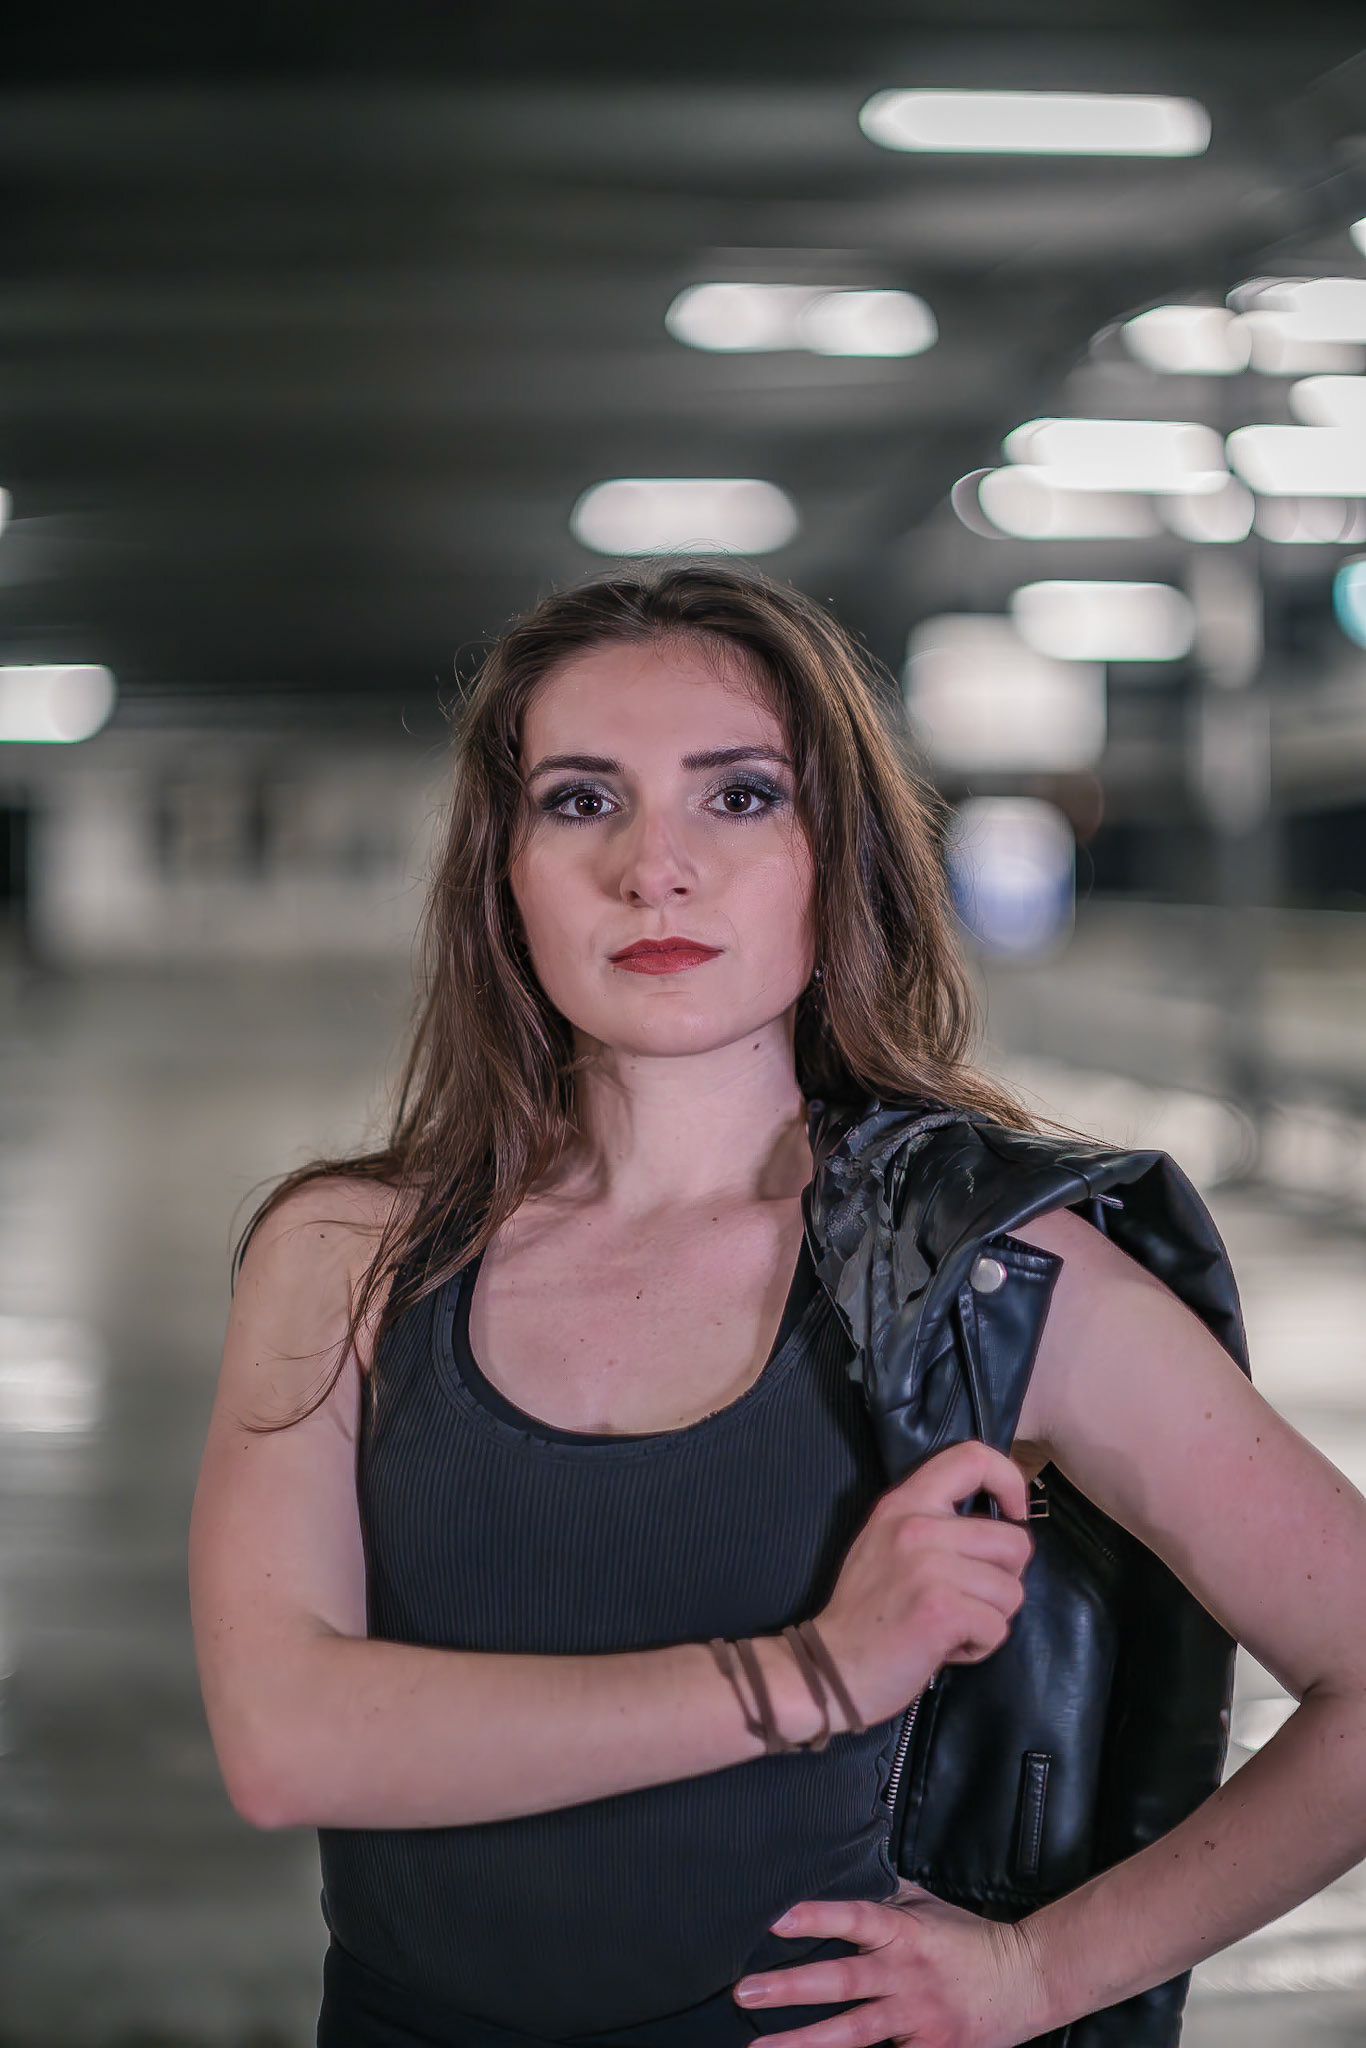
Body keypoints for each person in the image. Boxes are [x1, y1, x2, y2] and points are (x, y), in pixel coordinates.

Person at [189, 563, 1366, 2048]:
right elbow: (284, 1741)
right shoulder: (347, 1255)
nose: (653, 868)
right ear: (501, 871)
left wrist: (1041, 1973)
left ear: (840, 857)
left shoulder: (989, 1278)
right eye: (580, 800)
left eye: (739, 797)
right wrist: (811, 1674)